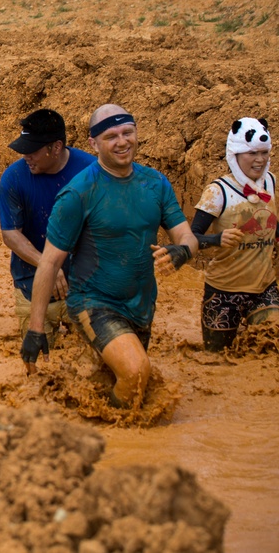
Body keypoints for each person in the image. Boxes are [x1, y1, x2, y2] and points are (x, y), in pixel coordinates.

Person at [22, 104, 198, 409]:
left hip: (141, 304)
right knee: (136, 373)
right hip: (94, 302)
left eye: (127, 132)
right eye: (111, 136)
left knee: (120, 383)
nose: (122, 141)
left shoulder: (155, 183)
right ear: (93, 143)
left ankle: (97, 424)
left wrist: (182, 251)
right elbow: (49, 262)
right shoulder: (79, 192)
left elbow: (187, 236)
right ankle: (116, 436)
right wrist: (35, 329)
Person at [0, 109, 95, 350]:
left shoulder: (92, 173)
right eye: (23, 151)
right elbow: (11, 234)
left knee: (92, 367)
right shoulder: (13, 178)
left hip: (86, 289)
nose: (26, 157)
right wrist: (47, 266)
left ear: (56, 147)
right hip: (31, 286)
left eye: (32, 151)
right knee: (42, 369)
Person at [190, 118, 279, 352]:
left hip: (264, 289)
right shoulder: (218, 191)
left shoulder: (270, 182)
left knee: (272, 352)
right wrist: (216, 240)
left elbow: (271, 222)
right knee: (215, 361)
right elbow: (190, 237)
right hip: (223, 292)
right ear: (235, 154)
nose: (260, 160)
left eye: (264, 152)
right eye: (252, 153)